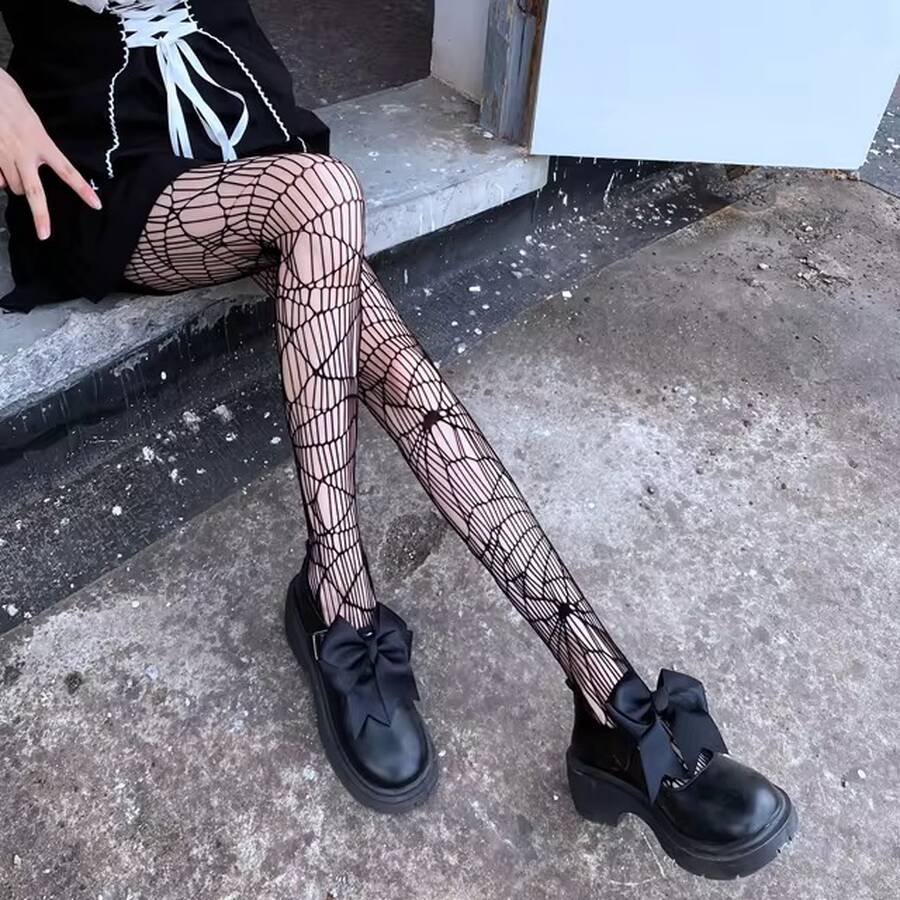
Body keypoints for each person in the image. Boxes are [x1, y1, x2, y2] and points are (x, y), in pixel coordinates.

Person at [0, 0, 796, 879]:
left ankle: (606, 692)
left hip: (246, 117)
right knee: (322, 195)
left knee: (400, 368)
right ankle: (341, 593)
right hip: (108, 160)